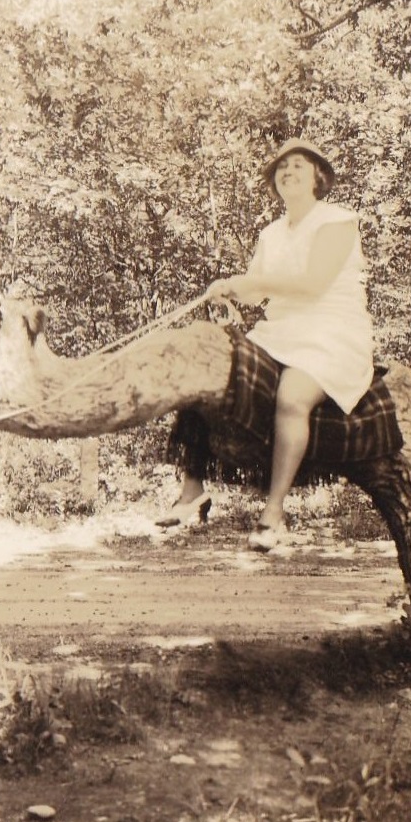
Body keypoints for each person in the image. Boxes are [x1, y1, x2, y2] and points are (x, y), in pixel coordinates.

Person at [156, 137, 375, 550]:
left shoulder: (337, 220)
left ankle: (273, 514)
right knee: (207, 367)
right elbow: (256, 294)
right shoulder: (271, 233)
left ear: (318, 177)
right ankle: (192, 490)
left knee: (293, 397)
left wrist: (251, 283)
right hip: (280, 333)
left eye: (298, 165)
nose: (288, 172)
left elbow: (313, 285)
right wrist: (228, 289)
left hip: (332, 332)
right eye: (281, 168)